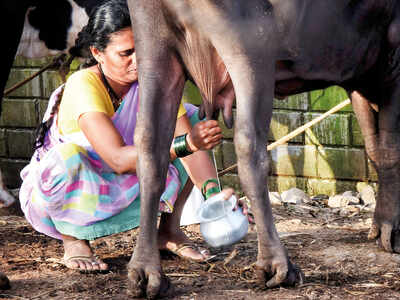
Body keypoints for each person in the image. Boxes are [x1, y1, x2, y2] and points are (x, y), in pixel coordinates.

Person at [19, 0, 247, 272]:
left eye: (144, 49)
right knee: (67, 158)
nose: (138, 61)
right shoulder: (83, 85)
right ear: (98, 53)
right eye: (126, 53)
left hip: (128, 172)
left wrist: (215, 199)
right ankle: (73, 238)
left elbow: (189, 142)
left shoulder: (155, 81)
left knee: (191, 120)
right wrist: (186, 144)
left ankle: (169, 232)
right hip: (75, 186)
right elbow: (117, 159)